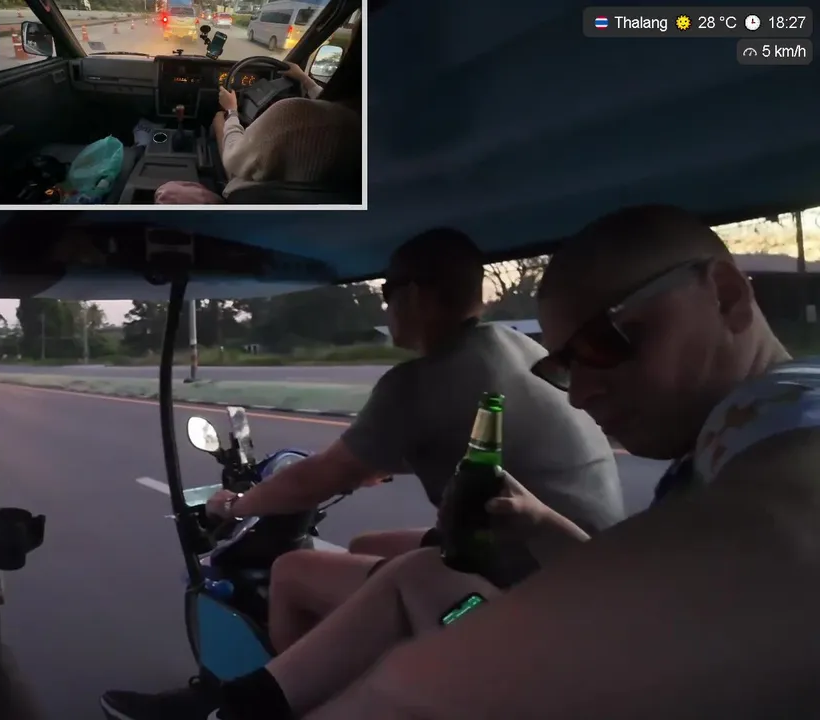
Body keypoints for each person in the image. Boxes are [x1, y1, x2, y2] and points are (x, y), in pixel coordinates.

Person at [179, 204, 820, 720]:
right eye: (563, 365)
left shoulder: (777, 418)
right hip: (542, 558)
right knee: (396, 558)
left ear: (726, 296)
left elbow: (783, 516)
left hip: (516, 588)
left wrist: (236, 505)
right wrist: (540, 522)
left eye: (605, 342)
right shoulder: (719, 428)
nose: (580, 393)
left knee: (314, 570)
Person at [99, 227, 627, 720]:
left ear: (413, 295)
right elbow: (436, 445)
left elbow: (317, 478)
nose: (385, 307)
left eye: (387, 294)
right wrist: (370, 466)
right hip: (579, 561)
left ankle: (302, 698)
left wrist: (234, 505)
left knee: (292, 571)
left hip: (526, 583)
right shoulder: (517, 348)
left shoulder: (420, 381)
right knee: (367, 543)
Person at [154, 28, 363, 205]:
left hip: (247, 194)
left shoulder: (293, 115)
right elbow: (331, 102)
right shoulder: (364, 123)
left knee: (219, 119)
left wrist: (232, 111)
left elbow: (233, 159)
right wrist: (304, 79)